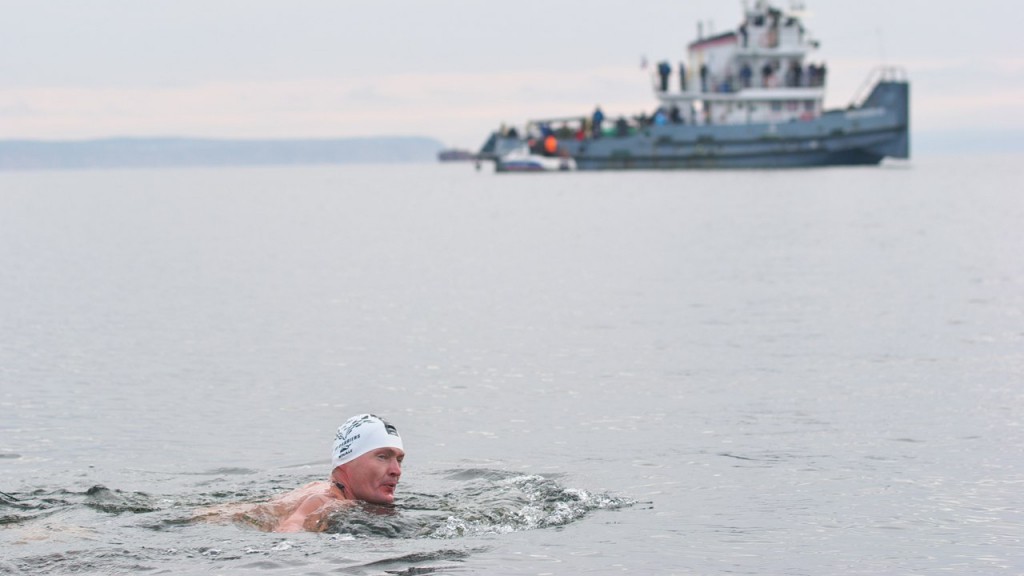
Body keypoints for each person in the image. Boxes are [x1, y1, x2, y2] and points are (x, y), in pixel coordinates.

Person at [197, 414, 405, 533]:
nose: (396, 471)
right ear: (348, 460)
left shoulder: (315, 486)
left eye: (399, 459)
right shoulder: (326, 501)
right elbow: (287, 535)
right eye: (382, 457)